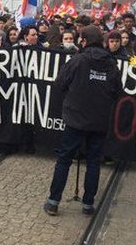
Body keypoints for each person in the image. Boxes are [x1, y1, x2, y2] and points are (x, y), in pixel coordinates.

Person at [44, 25, 122, 216]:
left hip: (76, 119)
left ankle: (53, 201)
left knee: (64, 159)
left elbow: (60, 84)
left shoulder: (77, 61)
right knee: (94, 161)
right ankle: (88, 204)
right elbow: (118, 92)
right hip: (99, 120)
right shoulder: (111, 63)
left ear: (83, 41)